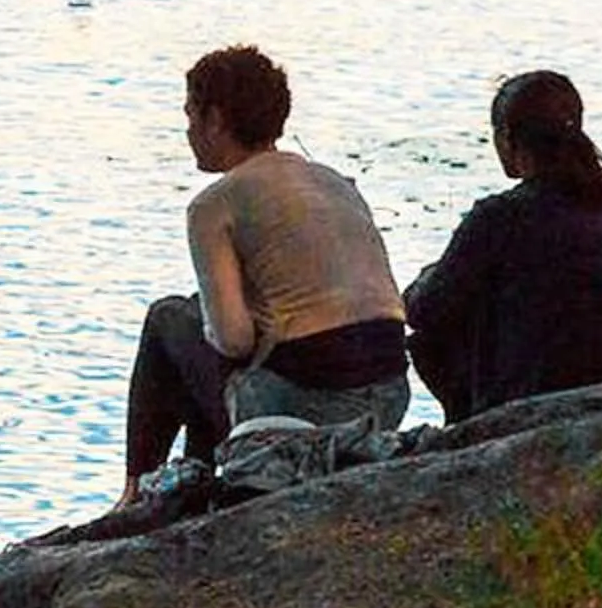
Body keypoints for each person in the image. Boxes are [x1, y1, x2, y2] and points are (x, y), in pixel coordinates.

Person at [117, 45, 409, 506]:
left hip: (295, 405)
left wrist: (211, 325)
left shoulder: (214, 205)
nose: (188, 131)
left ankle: (135, 489)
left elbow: (232, 340)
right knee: (202, 333)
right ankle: (202, 473)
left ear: (216, 119)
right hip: (388, 394)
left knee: (169, 320)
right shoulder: (335, 181)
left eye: (191, 115)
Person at [402, 70, 602, 425]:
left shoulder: (501, 215)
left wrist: (426, 278)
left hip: (535, 397)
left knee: (428, 340)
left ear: (508, 138)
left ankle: (473, 429)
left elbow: (424, 310)